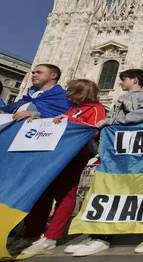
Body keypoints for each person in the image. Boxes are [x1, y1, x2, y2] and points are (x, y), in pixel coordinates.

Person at [65, 69, 143, 257]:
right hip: (113, 148)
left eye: (124, 79)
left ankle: (103, 237)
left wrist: (114, 122)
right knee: (104, 188)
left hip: (126, 148)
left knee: (113, 190)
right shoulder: (123, 97)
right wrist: (107, 122)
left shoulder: (141, 95)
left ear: (135, 80)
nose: (120, 82)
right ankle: (98, 233)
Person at [19, 80, 106, 255]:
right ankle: (32, 233)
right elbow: (59, 123)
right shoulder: (73, 108)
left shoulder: (95, 108)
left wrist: (70, 119)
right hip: (55, 153)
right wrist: (41, 120)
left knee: (65, 194)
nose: (67, 94)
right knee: (44, 192)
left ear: (82, 92)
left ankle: (51, 236)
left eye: (71, 90)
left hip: (75, 154)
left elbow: (94, 130)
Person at [0, 64, 72, 120]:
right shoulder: (29, 96)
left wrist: (35, 114)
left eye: (39, 72)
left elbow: (66, 118)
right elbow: (16, 115)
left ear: (53, 76)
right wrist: (5, 114)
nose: (34, 75)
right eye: (33, 73)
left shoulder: (64, 96)